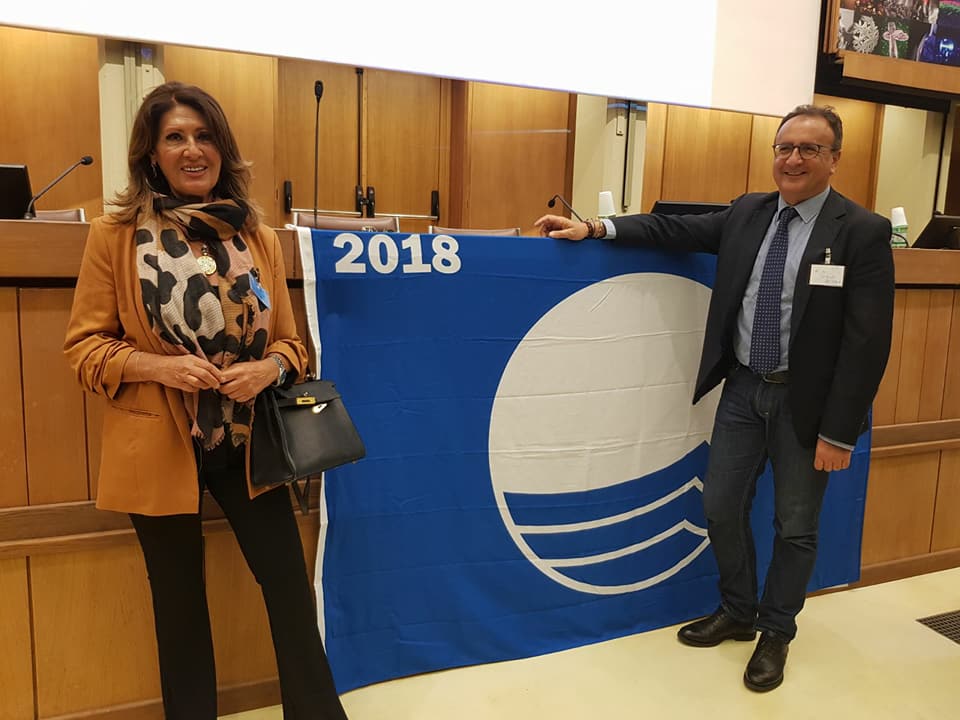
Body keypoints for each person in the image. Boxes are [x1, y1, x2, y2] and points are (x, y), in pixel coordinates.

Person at [535, 105, 895, 692]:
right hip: (743, 389)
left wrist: (839, 432)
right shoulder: (749, 212)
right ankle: (738, 611)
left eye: (809, 149)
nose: (793, 159)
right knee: (720, 507)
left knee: (795, 526)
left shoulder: (861, 231)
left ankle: (776, 632)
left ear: (834, 159)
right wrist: (596, 228)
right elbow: (672, 230)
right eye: (784, 147)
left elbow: (867, 342)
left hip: (808, 405)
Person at [64, 81, 349, 719]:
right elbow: (84, 349)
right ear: (151, 153)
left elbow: (293, 346)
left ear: (223, 148)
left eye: (204, 136)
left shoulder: (258, 236)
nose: (192, 150)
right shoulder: (114, 236)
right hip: (156, 443)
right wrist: (160, 368)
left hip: (248, 442)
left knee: (288, 589)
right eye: (175, 138)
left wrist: (268, 370)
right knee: (179, 606)